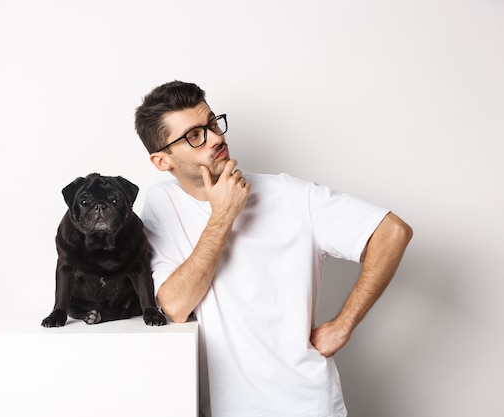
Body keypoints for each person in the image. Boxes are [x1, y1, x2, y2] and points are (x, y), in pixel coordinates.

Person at [134, 80, 412, 417]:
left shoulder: (289, 195)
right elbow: (175, 306)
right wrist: (222, 216)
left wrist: (343, 325)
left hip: (304, 406)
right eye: (195, 135)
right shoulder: (162, 203)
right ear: (163, 161)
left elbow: (392, 232)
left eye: (212, 123)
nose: (216, 138)